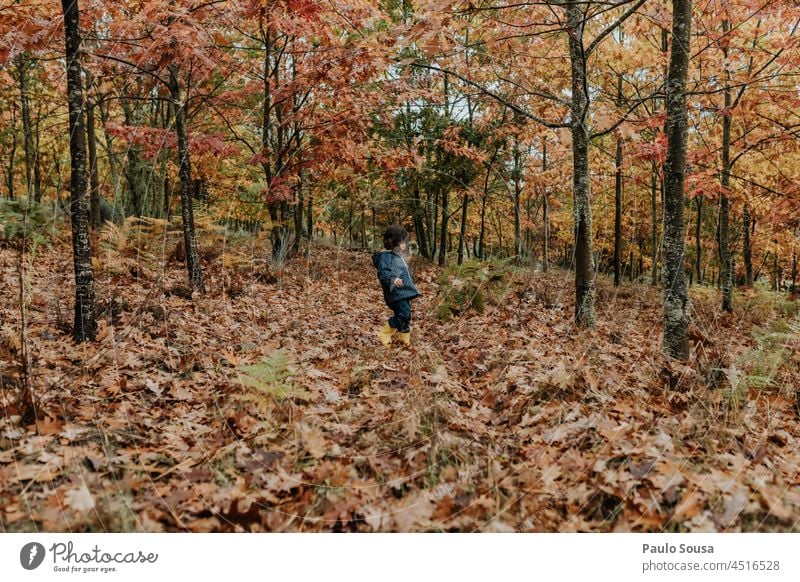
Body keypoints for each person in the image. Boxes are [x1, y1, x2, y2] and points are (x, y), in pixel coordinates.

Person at [371, 225, 421, 347]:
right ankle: (384, 333)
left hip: (403, 292)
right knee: (404, 314)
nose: (404, 244)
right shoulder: (386, 256)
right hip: (395, 293)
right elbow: (383, 272)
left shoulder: (398, 257)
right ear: (392, 242)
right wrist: (392, 279)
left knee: (404, 317)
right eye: (401, 242)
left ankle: (404, 341)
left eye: (405, 241)